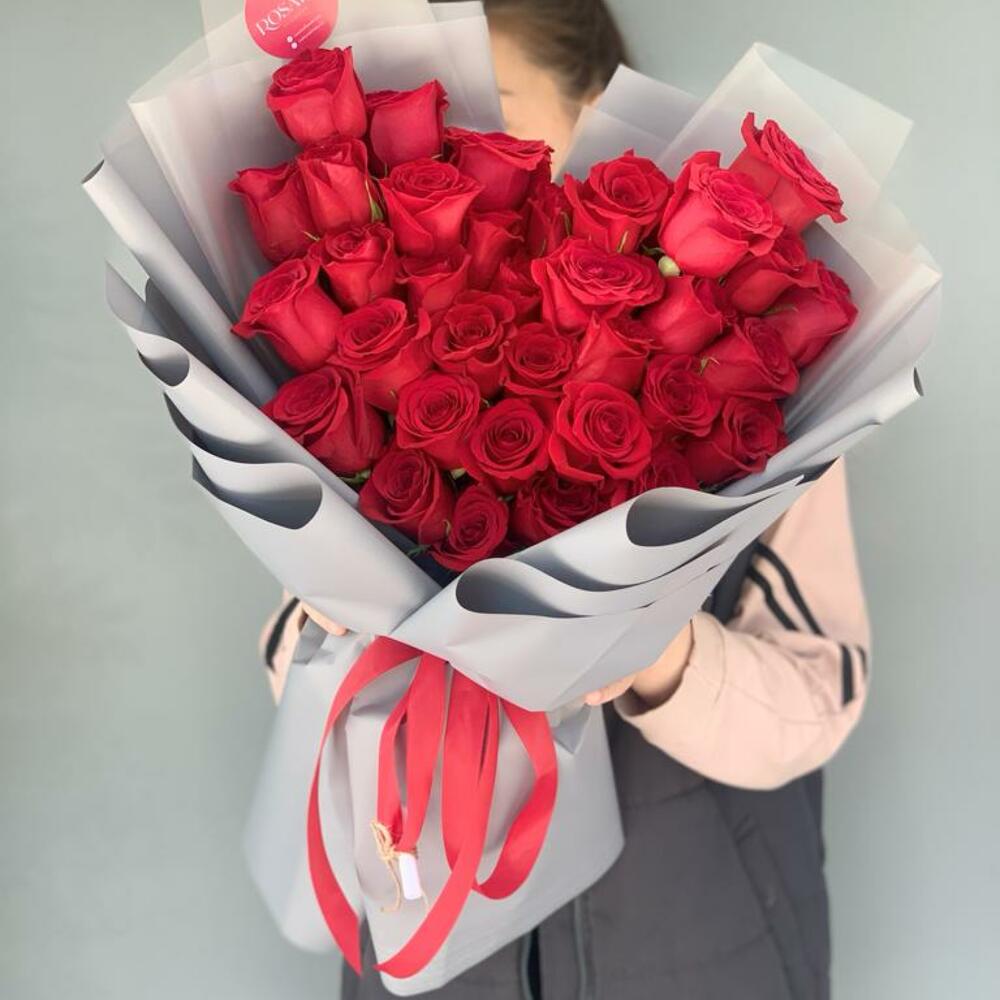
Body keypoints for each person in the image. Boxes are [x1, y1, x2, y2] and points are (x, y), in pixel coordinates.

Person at [260, 2, 870, 997]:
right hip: (436, 938)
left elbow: (821, 695)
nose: (452, 152)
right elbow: (290, 669)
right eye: (430, 124)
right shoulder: (368, 366)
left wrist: (661, 656)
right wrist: (348, 627)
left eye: (489, 107)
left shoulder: (750, 386)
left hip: (700, 945)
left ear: (596, 106)